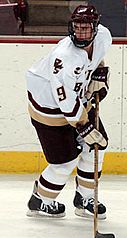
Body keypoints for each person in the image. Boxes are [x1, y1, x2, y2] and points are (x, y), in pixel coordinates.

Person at [26, 5, 112, 219]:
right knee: (64, 162)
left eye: (86, 28)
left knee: (96, 146)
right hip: (49, 107)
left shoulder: (104, 37)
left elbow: (95, 60)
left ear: (95, 27)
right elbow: (64, 99)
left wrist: (99, 73)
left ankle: (85, 198)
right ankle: (40, 200)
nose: (80, 33)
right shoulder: (64, 56)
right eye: (77, 27)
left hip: (77, 100)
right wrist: (83, 126)